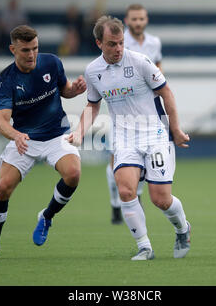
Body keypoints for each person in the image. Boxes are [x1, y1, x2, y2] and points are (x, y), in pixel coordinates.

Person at [67, 16, 191, 260]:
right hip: (124, 138)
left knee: (160, 199)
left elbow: (166, 92)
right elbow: (93, 105)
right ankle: (144, 246)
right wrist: (80, 131)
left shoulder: (140, 62)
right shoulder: (93, 71)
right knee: (125, 191)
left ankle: (183, 229)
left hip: (154, 134)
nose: (118, 49)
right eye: (112, 44)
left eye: (121, 43)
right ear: (98, 43)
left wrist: (175, 129)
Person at [0, 25, 87, 259]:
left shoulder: (51, 63)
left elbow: (64, 90)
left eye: (35, 48)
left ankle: (46, 217)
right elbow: (2, 121)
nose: (31, 55)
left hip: (56, 134)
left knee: (73, 174)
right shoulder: (7, 79)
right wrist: (16, 135)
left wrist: (75, 90)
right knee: (3, 188)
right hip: (25, 139)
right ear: (13, 49)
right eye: (26, 50)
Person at [106, 4, 163, 225]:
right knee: (116, 162)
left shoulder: (154, 42)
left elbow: (158, 68)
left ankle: (134, 199)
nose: (138, 22)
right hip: (122, 111)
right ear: (127, 21)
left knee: (142, 160)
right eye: (134, 19)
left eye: (142, 18)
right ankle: (115, 203)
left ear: (146, 20)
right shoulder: (119, 42)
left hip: (147, 110)